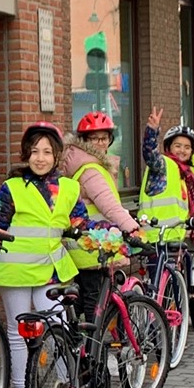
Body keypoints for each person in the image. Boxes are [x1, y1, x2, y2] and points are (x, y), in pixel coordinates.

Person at [0, 124, 88, 388]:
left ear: (57, 155)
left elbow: (81, 223)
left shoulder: (69, 188)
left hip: (51, 270)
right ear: (26, 154)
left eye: (47, 152)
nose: (40, 158)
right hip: (15, 271)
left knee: (59, 330)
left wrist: (105, 238)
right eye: (34, 152)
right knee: (17, 335)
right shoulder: (12, 188)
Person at [63, 111, 144, 318]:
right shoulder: (91, 170)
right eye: (94, 138)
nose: (100, 143)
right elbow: (109, 206)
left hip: (88, 243)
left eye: (104, 138)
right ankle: (92, 346)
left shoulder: (90, 165)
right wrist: (132, 228)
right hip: (92, 245)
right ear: (84, 141)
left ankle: (74, 342)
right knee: (94, 300)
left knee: (82, 299)